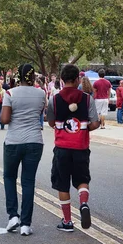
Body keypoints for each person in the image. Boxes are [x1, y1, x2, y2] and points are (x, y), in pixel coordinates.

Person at [47, 65, 100, 232]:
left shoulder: (54, 100)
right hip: (81, 147)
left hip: (62, 147)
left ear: (62, 81)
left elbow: (50, 122)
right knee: (82, 180)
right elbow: (95, 123)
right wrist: (84, 129)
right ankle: (83, 203)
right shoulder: (87, 99)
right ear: (78, 79)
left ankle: (68, 221)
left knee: (62, 184)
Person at [0, 64, 46, 236]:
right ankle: (26, 224)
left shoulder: (10, 93)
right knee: (28, 181)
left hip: (13, 141)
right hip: (35, 141)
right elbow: (41, 113)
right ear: (33, 77)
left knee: (9, 177)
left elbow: (4, 119)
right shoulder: (41, 93)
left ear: (18, 76)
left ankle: (13, 216)